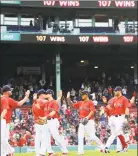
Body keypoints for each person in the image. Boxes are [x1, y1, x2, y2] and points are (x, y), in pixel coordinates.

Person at [67, 90, 105, 155]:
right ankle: (80, 152)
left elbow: (92, 111)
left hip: (89, 121)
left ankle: (103, 147)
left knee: (92, 136)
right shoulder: (80, 103)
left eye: (83, 94)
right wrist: (68, 99)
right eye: (81, 94)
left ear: (86, 94)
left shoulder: (90, 102)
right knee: (80, 136)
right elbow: (72, 106)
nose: (81, 95)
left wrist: (87, 117)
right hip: (82, 121)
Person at [1, 85, 30, 155]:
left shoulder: (7, 99)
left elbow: (18, 104)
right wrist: (26, 97)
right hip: (3, 120)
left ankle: (5, 153)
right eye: (10, 90)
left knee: (3, 139)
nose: (11, 91)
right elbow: (18, 104)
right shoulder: (5, 98)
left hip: (6, 122)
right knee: (2, 138)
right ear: (7, 91)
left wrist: (26, 97)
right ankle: (9, 151)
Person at [104, 86, 130, 153]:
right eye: (114, 91)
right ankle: (113, 148)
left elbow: (127, 108)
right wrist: (105, 103)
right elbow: (110, 108)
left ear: (119, 91)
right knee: (115, 134)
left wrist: (126, 118)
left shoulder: (124, 99)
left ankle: (123, 146)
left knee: (118, 132)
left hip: (121, 117)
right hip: (114, 118)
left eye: (116, 91)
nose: (114, 92)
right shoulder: (114, 99)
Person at [43, 89, 69, 156]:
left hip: (53, 120)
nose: (45, 95)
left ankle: (65, 150)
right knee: (46, 137)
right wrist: (59, 97)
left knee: (56, 136)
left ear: (50, 94)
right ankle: (50, 152)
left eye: (47, 93)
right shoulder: (47, 103)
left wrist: (46, 117)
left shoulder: (53, 102)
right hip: (46, 121)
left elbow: (53, 111)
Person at [32, 89, 49, 156]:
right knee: (45, 137)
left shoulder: (34, 103)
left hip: (36, 122)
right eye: (44, 94)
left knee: (37, 138)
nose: (46, 95)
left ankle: (37, 153)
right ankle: (42, 152)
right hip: (43, 121)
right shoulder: (44, 101)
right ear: (41, 95)